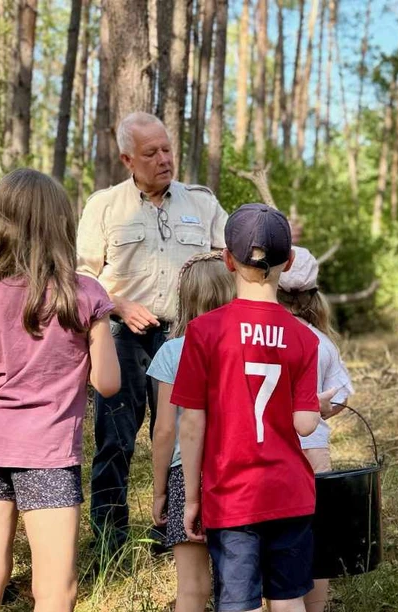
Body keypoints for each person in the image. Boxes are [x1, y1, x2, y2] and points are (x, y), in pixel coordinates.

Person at [0, 169, 121, 612]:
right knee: (55, 587)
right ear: (61, 224)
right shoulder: (85, 294)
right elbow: (107, 383)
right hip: (47, 455)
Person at [77, 111, 229, 559]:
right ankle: (110, 543)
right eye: (151, 153)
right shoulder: (104, 206)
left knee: (188, 437)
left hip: (189, 341)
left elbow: (229, 261)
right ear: (128, 159)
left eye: (167, 149)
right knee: (114, 440)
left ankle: (182, 532)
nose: (164, 159)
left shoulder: (201, 203)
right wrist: (119, 305)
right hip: (123, 339)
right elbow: (82, 277)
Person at [174, 203, 333, 612]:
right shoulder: (304, 338)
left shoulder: (204, 331)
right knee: (287, 598)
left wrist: (192, 498)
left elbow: (192, 423)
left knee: (240, 602)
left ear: (228, 259)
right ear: (290, 260)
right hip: (290, 492)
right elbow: (304, 423)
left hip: (232, 495)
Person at [147, 251, 235, 612]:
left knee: (191, 588)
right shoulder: (242, 346)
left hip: (187, 474)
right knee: (238, 584)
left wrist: (159, 491)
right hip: (237, 471)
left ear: (185, 299)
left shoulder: (172, 352)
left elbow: (165, 430)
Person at [276, 245, 356, 612]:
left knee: (277, 534)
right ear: (313, 295)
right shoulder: (322, 341)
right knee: (315, 534)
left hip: (271, 448)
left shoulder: (264, 335)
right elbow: (341, 397)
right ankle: (315, 607)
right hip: (314, 448)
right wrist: (320, 410)